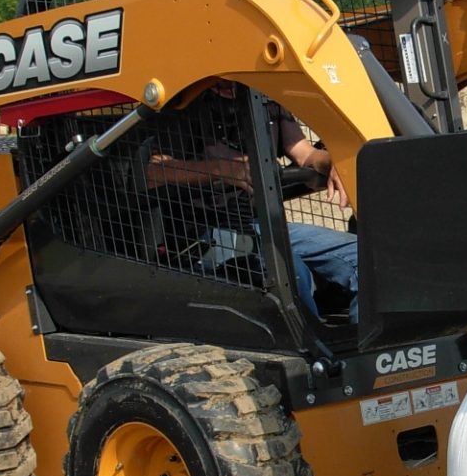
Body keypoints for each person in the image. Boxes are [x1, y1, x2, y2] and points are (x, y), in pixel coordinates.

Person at [145, 84, 359, 322]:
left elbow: (306, 155)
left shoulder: (266, 100)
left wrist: (336, 162)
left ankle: (365, 352)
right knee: (290, 271)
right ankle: (312, 351)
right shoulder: (186, 102)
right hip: (205, 232)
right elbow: (154, 171)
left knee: (361, 254)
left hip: (262, 225)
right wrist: (222, 170)